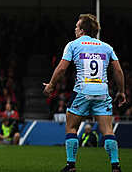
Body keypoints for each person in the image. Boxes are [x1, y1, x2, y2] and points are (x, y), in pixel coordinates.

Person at [43, 14, 126, 172]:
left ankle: (71, 165)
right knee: (108, 130)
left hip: (82, 91)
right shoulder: (107, 47)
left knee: (71, 127)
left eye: (77, 26)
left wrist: (51, 85)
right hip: (102, 92)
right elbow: (118, 71)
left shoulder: (73, 45)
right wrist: (121, 91)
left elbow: (61, 68)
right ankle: (115, 166)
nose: (75, 29)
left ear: (82, 30)